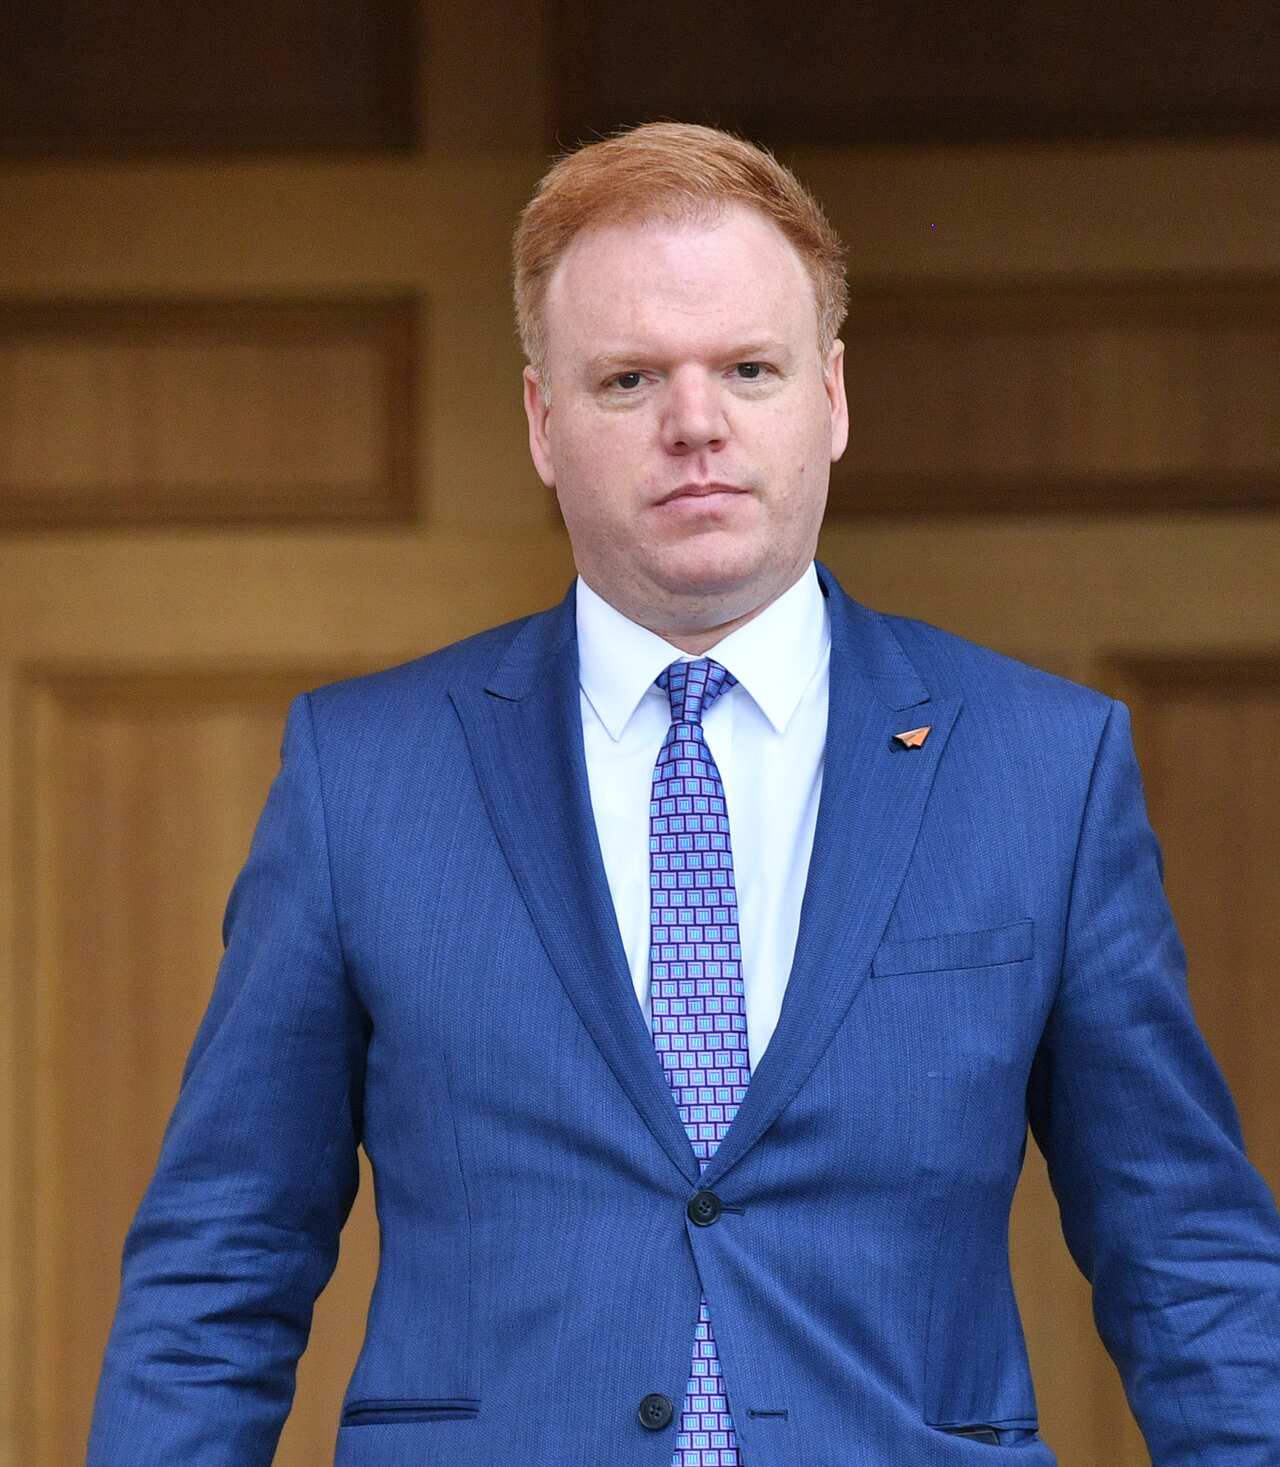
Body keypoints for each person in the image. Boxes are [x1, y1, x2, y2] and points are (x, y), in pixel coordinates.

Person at [86, 122, 1280, 1467]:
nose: (695, 422)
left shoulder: (1043, 769)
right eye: (629, 378)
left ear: (830, 397)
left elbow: (1187, 1259)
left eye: (748, 369)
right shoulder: (361, 774)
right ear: (543, 421)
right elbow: (220, 1266)